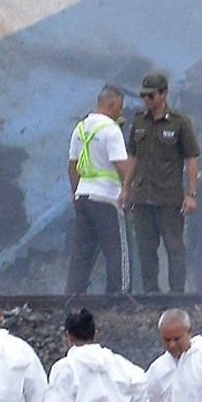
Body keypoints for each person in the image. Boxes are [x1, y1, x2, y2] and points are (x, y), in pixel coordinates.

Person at [123, 73, 201, 294]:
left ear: (163, 94)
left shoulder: (180, 123)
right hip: (143, 197)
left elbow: (191, 159)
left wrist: (192, 194)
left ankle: (177, 293)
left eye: (150, 95)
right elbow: (133, 157)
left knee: (174, 247)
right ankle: (151, 292)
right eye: (143, 95)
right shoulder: (138, 121)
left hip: (169, 197)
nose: (146, 100)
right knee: (146, 249)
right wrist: (126, 189)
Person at [67, 85, 132, 294]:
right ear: (112, 104)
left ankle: (73, 295)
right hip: (107, 198)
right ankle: (117, 295)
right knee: (116, 251)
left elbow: (72, 166)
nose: (119, 112)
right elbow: (122, 165)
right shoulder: (110, 130)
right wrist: (127, 190)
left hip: (83, 195)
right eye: (119, 107)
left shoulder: (80, 128)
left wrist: (76, 193)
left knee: (82, 251)